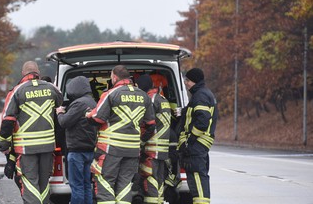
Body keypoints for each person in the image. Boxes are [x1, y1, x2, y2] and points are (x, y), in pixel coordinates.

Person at [85, 65, 156, 204]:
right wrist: (138, 140)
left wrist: (87, 114)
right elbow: (151, 124)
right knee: (125, 184)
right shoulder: (144, 96)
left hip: (110, 149)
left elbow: (97, 118)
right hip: (133, 151)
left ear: (114, 77)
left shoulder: (110, 94)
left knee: (105, 181)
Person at [0, 61, 63, 204]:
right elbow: (60, 103)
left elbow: (8, 120)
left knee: (29, 182)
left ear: (23, 73)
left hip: (27, 148)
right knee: (44, 183)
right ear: (38, 72)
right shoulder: (52, 89)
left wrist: (3, 145)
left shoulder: (17, 91)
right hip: (47, 146)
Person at [178, 68, 218, 204]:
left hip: (197, 145)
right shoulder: (202, 94)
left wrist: (190, 140)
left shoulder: (200, 96)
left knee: (198, 181)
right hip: (199, 145)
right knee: (197, 180)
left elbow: (202, 121)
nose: (185, 83)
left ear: (194, 81)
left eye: (188, 80)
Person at [55, 76, 97, 204]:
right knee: (86, 185)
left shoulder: (79, 104)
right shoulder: (93, 102)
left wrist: (60, 112)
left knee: (77, 185)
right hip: (90, 150)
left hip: (77, 152)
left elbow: (64, 122)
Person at [136, 74, 172, 204]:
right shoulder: (163, 99)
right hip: (162, 149)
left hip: (152, 148)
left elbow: (147, 124)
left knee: (150, 178)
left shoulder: (150, 100)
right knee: (159, 180)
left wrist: (140, 141)